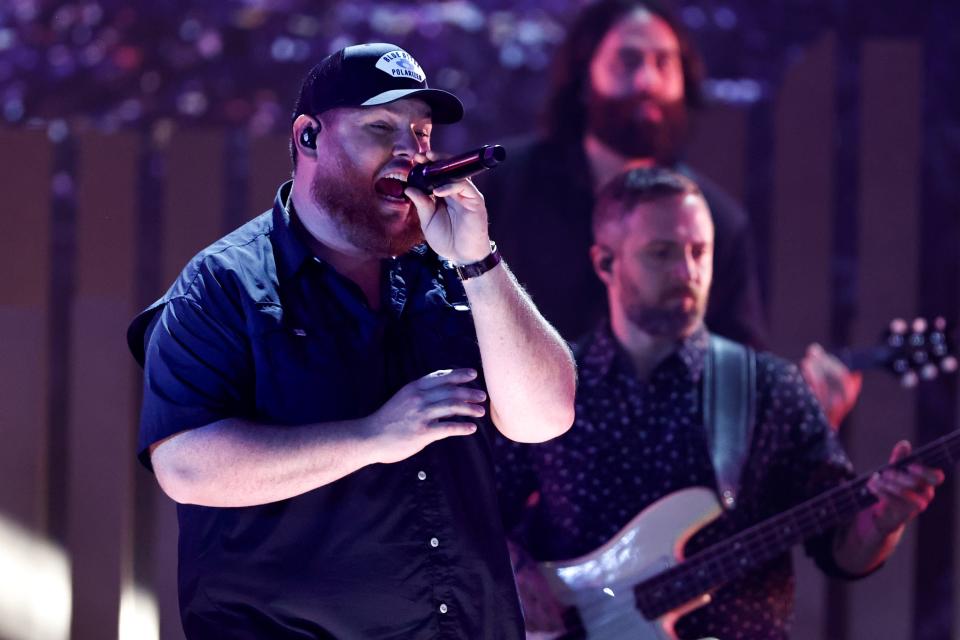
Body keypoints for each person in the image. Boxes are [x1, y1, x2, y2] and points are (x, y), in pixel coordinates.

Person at [126, 42, 576, 639]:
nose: (409, 152)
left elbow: (546, 417)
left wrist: (479, 261)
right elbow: (185, 468)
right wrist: (372, 437)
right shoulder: (224, 284)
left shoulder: (453, 270)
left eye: (420, 132)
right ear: (309, 137)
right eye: (380, 127)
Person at [493, 167, 942, 640]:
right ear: (606, 263)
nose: (687, 273)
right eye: (662, 253)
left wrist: (882, 522)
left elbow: (841, 551)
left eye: (698, 252)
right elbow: (476, 511)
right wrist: (516, 576)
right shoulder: (552, 384)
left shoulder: (771, 389)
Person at [481, 0, 861, 426]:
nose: (647, 81)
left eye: (664, 63)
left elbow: (732, 373)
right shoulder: (503, 185)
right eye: (628, 61)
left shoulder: (718, 219)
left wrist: (799, 415)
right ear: (585, 76)